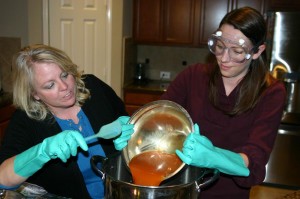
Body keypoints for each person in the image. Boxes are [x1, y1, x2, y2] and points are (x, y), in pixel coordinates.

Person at [160, 7, 286, 199]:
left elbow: (255, 158)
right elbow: (161, 116)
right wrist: (134, 128)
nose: (224, 58)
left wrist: (214, 157)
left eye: (236, 51)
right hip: (182, 190)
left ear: (257, 51)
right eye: (219, 46)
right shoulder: (194, 76)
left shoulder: (270, 93)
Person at [0, 44, 133, 199]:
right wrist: (42, 152)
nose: (65, 87)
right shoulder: (25, 120)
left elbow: (128, 123)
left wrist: (131, 137)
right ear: (34, 94)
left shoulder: (95, 88)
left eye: (64, 75)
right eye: (50, 85)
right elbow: (3, 178)